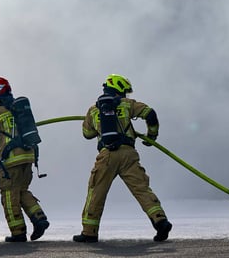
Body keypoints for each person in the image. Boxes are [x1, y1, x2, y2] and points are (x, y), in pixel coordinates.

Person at [73, 73, 172, 243]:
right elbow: (150, 114)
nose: (126, 95)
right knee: (141, 188)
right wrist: (152, 135)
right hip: (128, 153)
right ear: (119, 90)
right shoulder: (128, 105)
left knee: (96, 192)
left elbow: (87, 134)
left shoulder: (93, 110)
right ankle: (160, 221)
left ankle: (89, 232)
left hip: (106, 156)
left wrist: (99, 124)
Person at [0, 76, 50, 243]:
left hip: (11, 161)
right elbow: (10, 135)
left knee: (9, 195)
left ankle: (18, 233)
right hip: (28, 156)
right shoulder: (19, 109)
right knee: (22, 191)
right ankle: (39, 218)